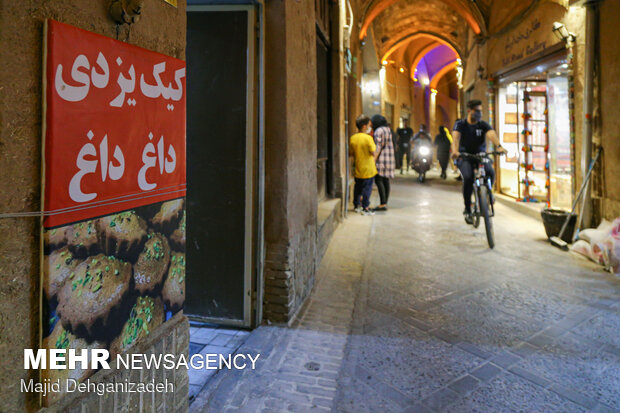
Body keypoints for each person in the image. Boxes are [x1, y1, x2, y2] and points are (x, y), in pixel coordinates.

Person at [451, 100, 507, 224]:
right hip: (465, 155)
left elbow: (491, 134)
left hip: (481, 154)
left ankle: (488, 194)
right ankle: (467, 208)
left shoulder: (482, 124)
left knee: (490, 171)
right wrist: (455, 151)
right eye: (477, 111)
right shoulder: (461, 124)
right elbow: (455, 137)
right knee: (468, 177)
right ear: (469, 111)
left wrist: (499, 146)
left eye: (480, 111)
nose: (479, 114)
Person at [349, 115, 377, 215]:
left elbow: (351, 153)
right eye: (369, 125)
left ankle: (356, 205)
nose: (370, 127)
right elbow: (373, 152)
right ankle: (365, 207)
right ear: (364, 126)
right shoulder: (368, 138)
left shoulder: (353, 138)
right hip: (368, 169)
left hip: (357, 168)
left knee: (357, 188)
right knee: (367, 189)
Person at [371, 114, 395, 211]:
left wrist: (374, 159)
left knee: (378, 180)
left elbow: (378, 146)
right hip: (389, 158)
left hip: (381, 158)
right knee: (385, 180)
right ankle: (385, 203)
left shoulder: (378, 131)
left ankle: (382, 204)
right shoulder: (387, 129)